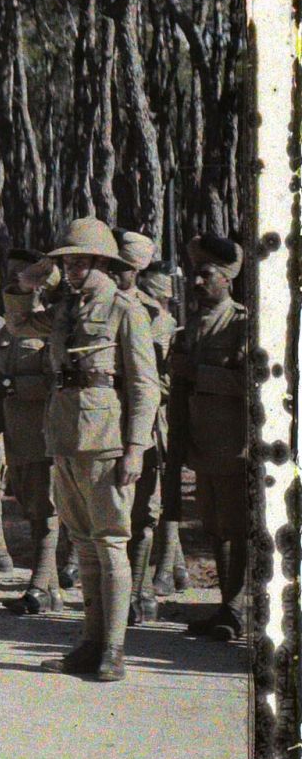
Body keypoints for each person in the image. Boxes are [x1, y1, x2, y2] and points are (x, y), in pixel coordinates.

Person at [26, 217, 162, 683]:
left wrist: (137, 447)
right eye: (67, 260)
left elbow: (146, 387)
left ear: (104, 261)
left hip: (106, 439)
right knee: (83, 543)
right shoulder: (66, 308)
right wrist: (28, 279)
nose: (74, 267)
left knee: (110, 543)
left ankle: (114, 649)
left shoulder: (126, 308)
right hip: (65, 435)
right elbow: (19, 320)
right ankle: (89, 641)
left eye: (82, 259)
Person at [172, 233, 251, 641]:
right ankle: (225, 606)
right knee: (215, 529)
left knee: (238, 531)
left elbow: (252, 383)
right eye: (194, 275)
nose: (196, 282)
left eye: (206, 275)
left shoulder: (242, 324)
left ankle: (236, 610)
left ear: (228, 279)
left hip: (235, 448)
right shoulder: (190, 328)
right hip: (202, 447)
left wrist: (197, 374)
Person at [0, 249, 64, 614]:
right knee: (31, 507)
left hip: (44, 429)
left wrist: (16, 385)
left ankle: (40, 583)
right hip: (16, 431)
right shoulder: (4, 330)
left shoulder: (50, 325)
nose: (14, 283)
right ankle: (50, 588)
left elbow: (58, 379)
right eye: (9, 276)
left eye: (21, 276)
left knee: (47, 506)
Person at [116, 231, 174, 626]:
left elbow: (160, 380)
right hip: (103, 423)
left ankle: (139, 591)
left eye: (120, 265)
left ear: (135, 270)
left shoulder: (153, 315)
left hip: (144, 423)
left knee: (143, 512)